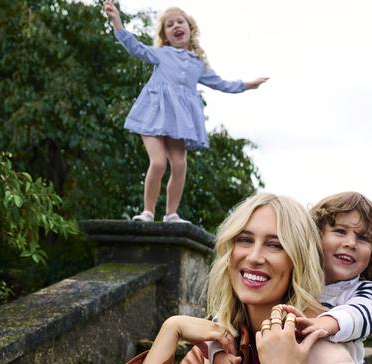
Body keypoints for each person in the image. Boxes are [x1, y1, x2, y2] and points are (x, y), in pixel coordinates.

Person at [124, 193, 354, 364]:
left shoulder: (327, 356)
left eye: (274, 245)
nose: (254, 257)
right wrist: (171, 328)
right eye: (244, 240)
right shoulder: (216, 348)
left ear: (299, 261)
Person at [104, 1, 268, 223]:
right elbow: (136, 48)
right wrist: (117, 22)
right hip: (153, 114)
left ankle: (171, 214)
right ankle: (148, 212)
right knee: (159, 162)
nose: (175, 26)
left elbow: (221, 83)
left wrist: (247, 85)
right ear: (165, 35)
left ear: (190, 29)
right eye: (170, 25)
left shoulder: (197, 64)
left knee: (180, 166)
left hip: (178, 122)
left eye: (180, 22)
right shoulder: (161, 54)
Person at [282, 191, 372, 364]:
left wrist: (326, 323)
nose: (351, 243)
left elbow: (362, 314)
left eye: (363, 238)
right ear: (316, 236)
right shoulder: (295, 279)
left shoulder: (366, 290)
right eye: (340, 231)